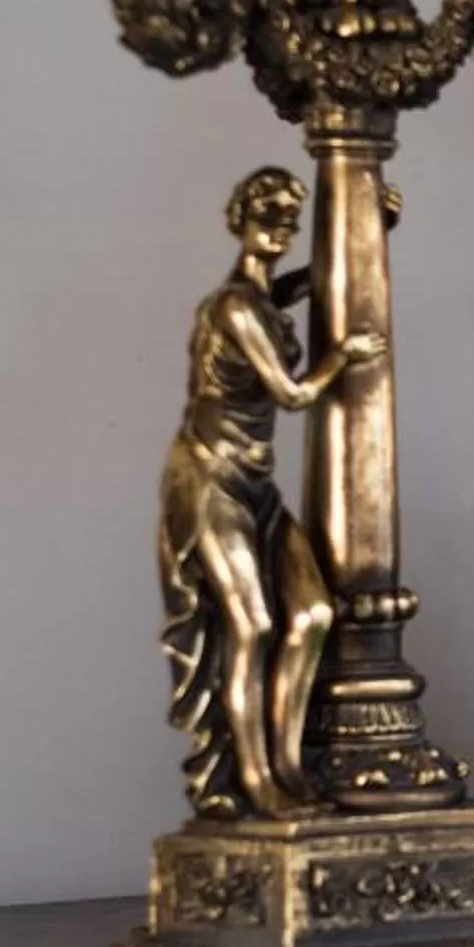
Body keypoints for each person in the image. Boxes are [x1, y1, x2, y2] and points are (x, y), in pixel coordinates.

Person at [158, 167, 385, 814]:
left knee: (311, 615)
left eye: (288, 219)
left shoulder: (259, 298)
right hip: (209, 479)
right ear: (242, 220)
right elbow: (290, 394)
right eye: (268, 218)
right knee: (252, 626)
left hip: (254, 482)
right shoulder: (232, 307)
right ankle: (255, 779)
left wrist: (373, 226)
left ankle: (288, 767)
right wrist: (345, 355)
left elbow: (297, 286)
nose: (279, 230)